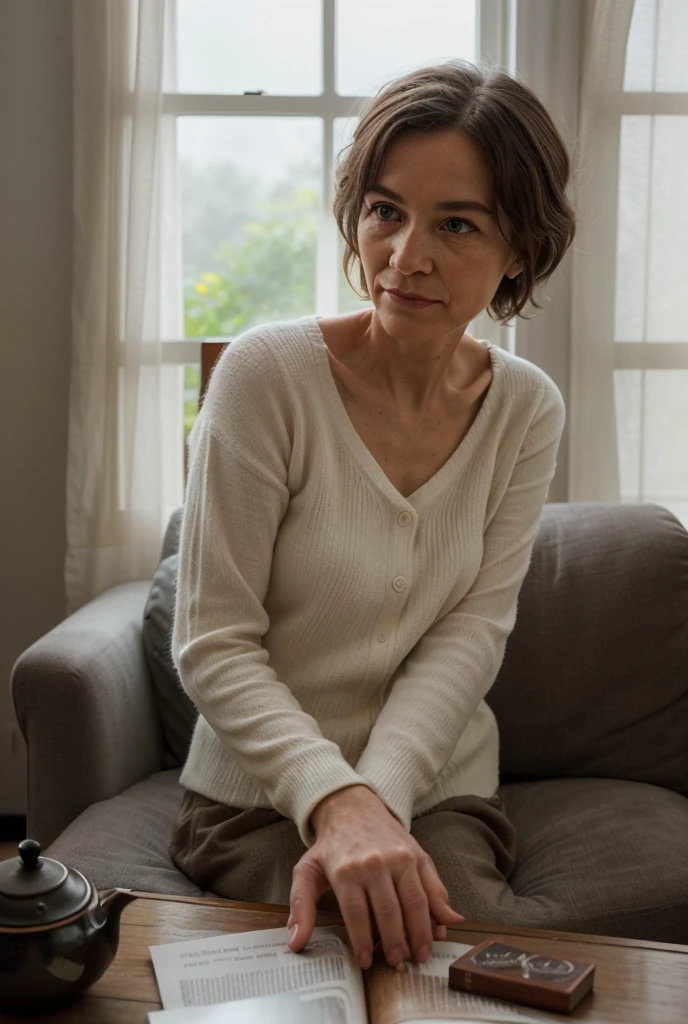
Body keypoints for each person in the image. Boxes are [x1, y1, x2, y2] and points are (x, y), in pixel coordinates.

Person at [169, 58, 576, 972]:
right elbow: (214, 642)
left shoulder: (527, 409)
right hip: (256, 796)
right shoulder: (265, 377)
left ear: (520, 250)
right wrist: (331, 801)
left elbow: (471, 632)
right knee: (334, 945)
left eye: (457, 224)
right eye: (385, 210)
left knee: (444, 952)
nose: (405, 256)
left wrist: (376, 800)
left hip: (437, 788)